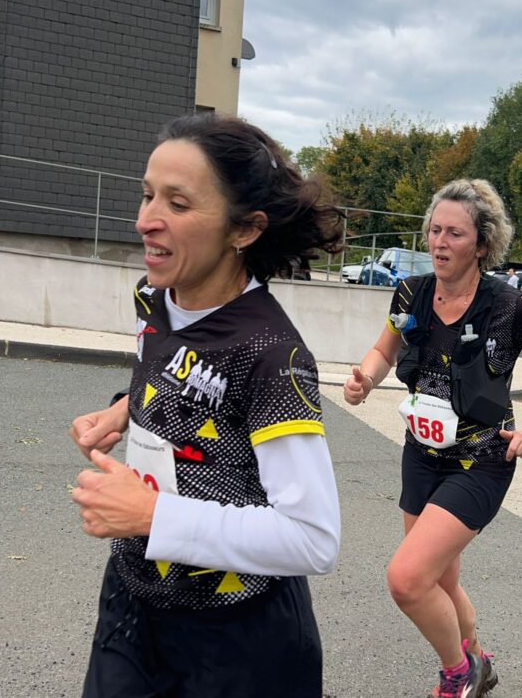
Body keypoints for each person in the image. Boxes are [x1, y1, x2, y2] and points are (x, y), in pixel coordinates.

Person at [70, 114, 344, 698]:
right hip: (133, 601)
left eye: (178, 203)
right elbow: (166, 366)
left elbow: (313, 539)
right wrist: (123, 410)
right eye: (147, 196)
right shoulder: (155, 295)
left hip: (239, 643)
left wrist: (151, 518)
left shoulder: (273, 354)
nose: (146, 220)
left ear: (243, 230)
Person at [342, 179, 522, 698]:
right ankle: (478, 658)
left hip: (482, 460)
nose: (438, 242)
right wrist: (364, 379)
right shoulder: (412, 293)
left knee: (407, 579)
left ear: (482, 244)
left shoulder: (509, 307)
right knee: (441, 580)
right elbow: (384, 351)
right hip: (420, 454)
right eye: (434, 230)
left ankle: (458, 674)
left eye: (454, 233)